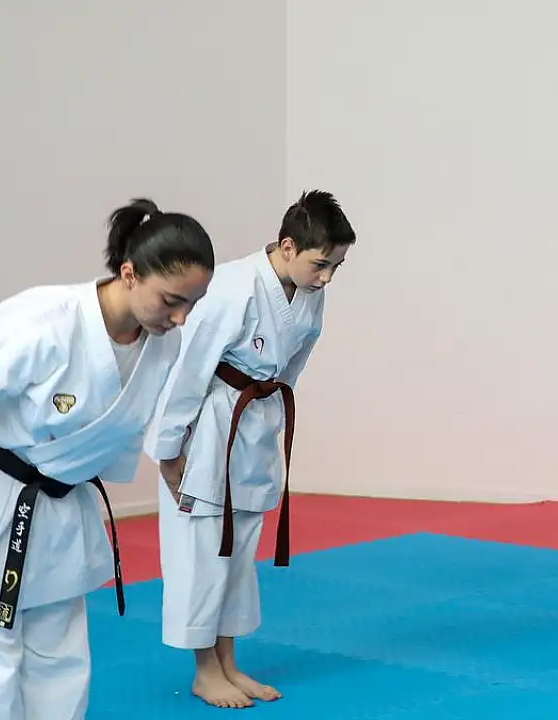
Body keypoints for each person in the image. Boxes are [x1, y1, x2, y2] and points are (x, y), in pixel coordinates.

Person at [0, 198, 216, 720]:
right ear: (130, 274)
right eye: (171, 300)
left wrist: (169, 459)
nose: (180, 317)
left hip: (63, 503)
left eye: (192, 303)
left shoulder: (163, 344)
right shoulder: (44, 324)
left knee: (60, 658)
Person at [146, 189, 356, 709]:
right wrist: (170, 449)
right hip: (209, 427)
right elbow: (186, 370)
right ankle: (204, 671)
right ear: (287, 246)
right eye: (321, 264)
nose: (327, 277)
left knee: (237, 554)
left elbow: (294, 363)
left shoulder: (309, 292)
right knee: (202, 553)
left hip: (255, 422)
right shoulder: (231, 288)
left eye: (337, 266)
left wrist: (274, 415)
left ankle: (228, 663)